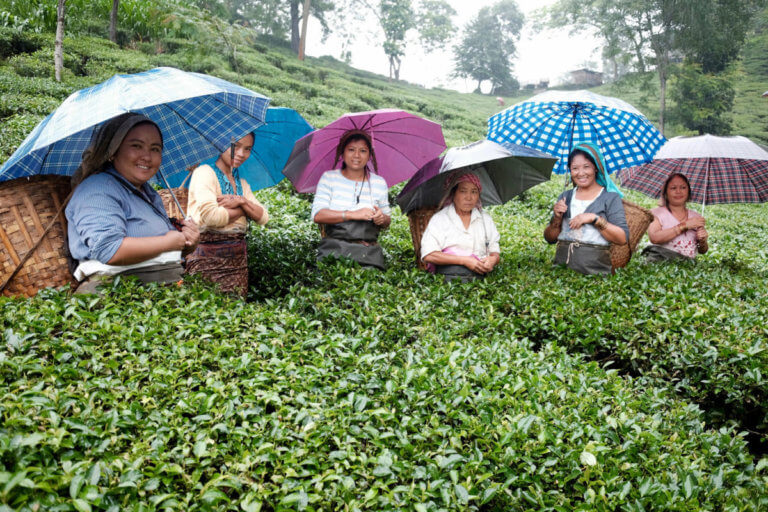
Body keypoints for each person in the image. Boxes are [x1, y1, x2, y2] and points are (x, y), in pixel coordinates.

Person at [66, 113, 199, 294]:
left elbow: (155, 249)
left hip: (159, 292)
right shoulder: (98, 189)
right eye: (136, 146)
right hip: (117, 297)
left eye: (155, 149)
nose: (147, 156)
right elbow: (109, 250)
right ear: (113, 151)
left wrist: (187, 243)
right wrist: (168, 242)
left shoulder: (147, 192)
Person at [186, 132, 269, 296]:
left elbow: (263, 217)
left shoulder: (242, 184)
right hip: (205, 260)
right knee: (205, 310)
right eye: (235, 146)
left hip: (237, 263)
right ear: (220, 144)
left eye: (247, 149)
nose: (241, 154)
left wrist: (242, 201)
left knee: (236, 313)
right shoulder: (204, 173)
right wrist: (243, 208)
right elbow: (212, 217)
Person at [544, 142, 629, 275]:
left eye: (586, 167)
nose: (581, 173)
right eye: (575, 168)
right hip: (561, 273)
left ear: (596, 168)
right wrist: (557, 218)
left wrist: (595, 219)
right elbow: (550, 239)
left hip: (596, 274)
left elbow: (622, 238)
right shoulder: (565, 196)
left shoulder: (610, 198)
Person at [311, 129, 391, 270]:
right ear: (342, 153)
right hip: (334, 251)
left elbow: (387, 221)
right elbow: (318, 215)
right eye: (351, 149)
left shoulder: (379, 183)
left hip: (368, 255)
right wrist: (351, 214)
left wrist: (381, 218)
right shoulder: (329, 178)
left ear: (369, 155)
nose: (356, 155)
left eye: (363, 151)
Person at [420, 172, 500, 282]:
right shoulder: (440, 219)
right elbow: (429, 255)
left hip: (480, 279)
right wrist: (464, 260)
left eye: (474, 192)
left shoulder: (485, 219)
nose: (469, 197)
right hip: (448, 278)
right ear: (453, 194)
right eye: (463, 191)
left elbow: (494, 251)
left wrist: (493, 259)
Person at [642, 173, 708, 262]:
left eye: (683, 188)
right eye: (673, 188)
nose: (678, 191)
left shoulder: (696, 217)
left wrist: (703, 241)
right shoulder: (656, 213)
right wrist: (684, 226)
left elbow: (702, 251)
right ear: (666, 192)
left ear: (688, 191)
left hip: (687, 266)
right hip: (660, 259)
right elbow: (654, 238)